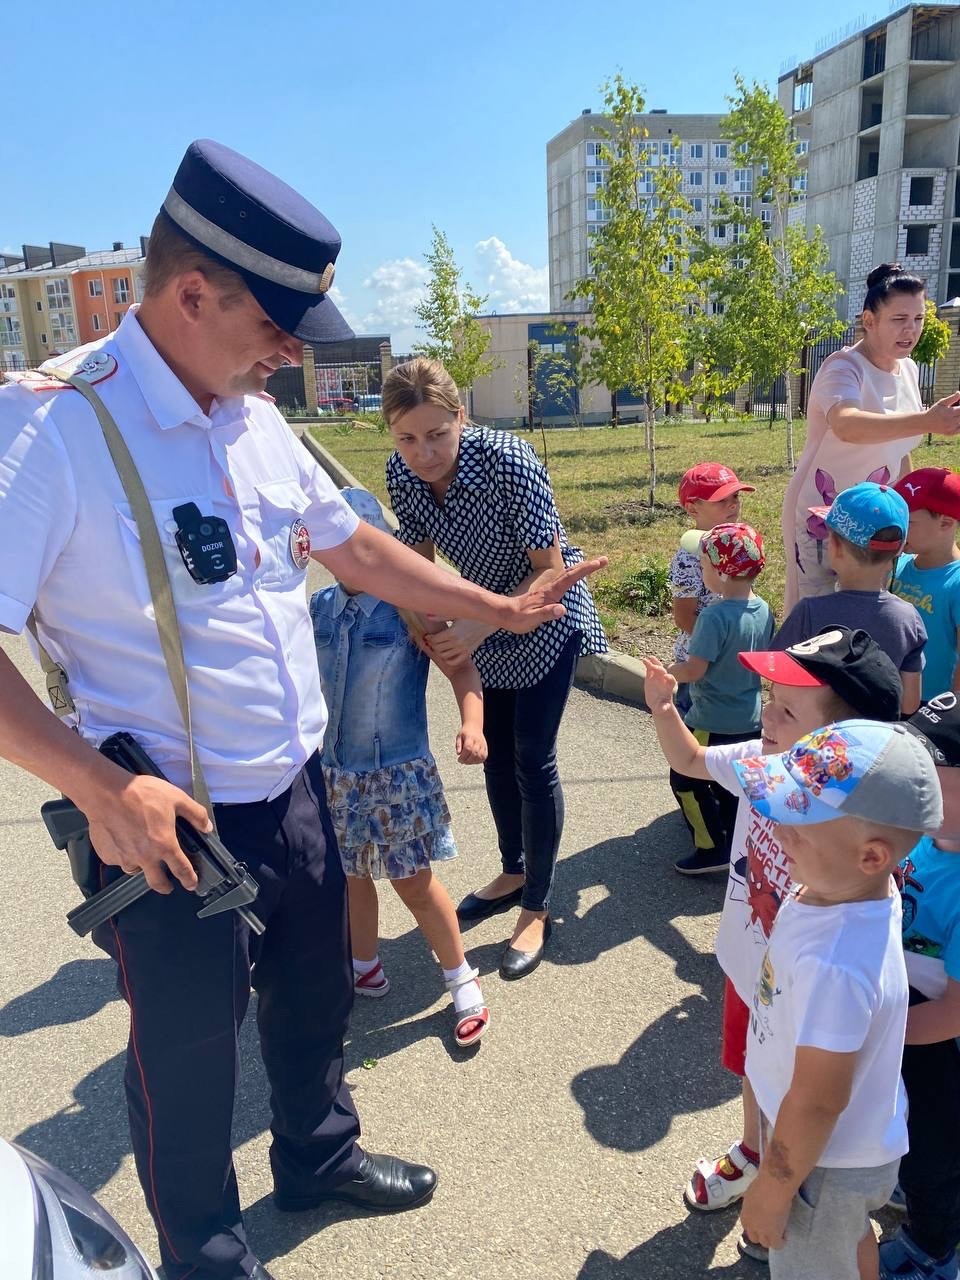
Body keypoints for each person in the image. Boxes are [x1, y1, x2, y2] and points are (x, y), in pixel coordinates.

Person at [0, 140, 603, 1280]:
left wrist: (497, 607)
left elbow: (354, 545)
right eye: (278, 325)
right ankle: (208, 1256)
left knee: (315, 998)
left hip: (296, 785)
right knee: (187, 1062)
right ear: (192, 295)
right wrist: (97, 786)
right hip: (167, 820)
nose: (293, 352)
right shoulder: (50, 426)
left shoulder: (252, 414)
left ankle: (318, 1157)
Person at [642, 626, 903, 1265]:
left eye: (787, 709)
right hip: (753, 965)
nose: (767, 716)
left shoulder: (854, 851)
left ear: (842, 742)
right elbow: (692, 761)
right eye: (769, 699)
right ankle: (756, 1153)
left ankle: (780, 1201)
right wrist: (665, 708)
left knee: (803, 1105)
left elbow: (823, 1095)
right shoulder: (768, 764)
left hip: (805, 1005)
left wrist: (781, 1194)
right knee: (757, 1068)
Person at [382, 357, 607, 980]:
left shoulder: (509, 460)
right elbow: (418, 567)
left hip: (544, 614)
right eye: (406, 438)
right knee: (498, 758)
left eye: (437, 434)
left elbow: (549, 568)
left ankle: (537, 905)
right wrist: (426, 626)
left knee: (533, 757)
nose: (423, 453)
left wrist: (476, 627)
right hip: (483, 615)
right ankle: (513, 870)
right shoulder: (403, 473)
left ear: (461, 416)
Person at [731, 720, 942, 1280]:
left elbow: (818, 1101)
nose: (778, 830)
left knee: (812, 1264)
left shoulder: (838, 964)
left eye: (798, 823)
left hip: (821, 1162)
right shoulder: (851, 887)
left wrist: (774, 1189)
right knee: (845, 1241)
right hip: (829, 1143)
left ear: (871, 856)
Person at [310, 487, 489, 1049]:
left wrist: (473, 723)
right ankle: (364, 965)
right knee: (351, 875)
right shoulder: (317, 608)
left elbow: (462, 669)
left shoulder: (411, 609)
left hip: (396, 773)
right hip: (335, 772)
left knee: (413, 881)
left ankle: (461, 978)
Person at [782, 263, 960, 613]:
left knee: (866, 608)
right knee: (817, 613)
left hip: (877, 514)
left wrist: (908, 507)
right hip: (823, 513)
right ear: (869, 320)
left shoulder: (907, 369)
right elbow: (847, 424)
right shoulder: (843, 367)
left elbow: (900, 449)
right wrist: (926, 421)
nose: (911, 329)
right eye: (899, 319)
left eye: (919, 319)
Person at [879, 694, 960, 1280]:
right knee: (909, 1136)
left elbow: (955, 1011)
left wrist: (878, 1034)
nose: (915, 786)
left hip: (938, 1044)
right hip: (906, 1023)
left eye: (931, 777)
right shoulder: (930, 837)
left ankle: (933, 1249)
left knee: (937, 1155)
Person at [665, 522, 774, 876]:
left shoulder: (713, 616)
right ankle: (736, 841)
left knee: (685, 778)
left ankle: (710, 847)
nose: (702, 570)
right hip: (750, 718)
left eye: (705, 565)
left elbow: (695, 670)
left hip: (710, 719)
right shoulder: (764, 610)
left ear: (723, 572)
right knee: (733, 784)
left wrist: (668, 673)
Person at [774, 482, 926, 714]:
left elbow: (777, 676)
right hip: (878, 735)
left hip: (819, 733)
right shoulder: (908, 618)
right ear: (898, 550)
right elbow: (909, 704)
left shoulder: (810, 612)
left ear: (835, 546)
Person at [669, 463, 755, 714]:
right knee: (696, 729)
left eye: (735, 497)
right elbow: (684, 616)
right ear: (692, 508)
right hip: (701, 663)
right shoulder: (689, 557)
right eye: (721, 500)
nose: (733, 505)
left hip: (731, 659)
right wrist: (721, 646)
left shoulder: (738, 545)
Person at [891, 467, 960, 702]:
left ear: (946, 523)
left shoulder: (956, 582)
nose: (898, 528)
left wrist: (952, 713)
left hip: (933, 707)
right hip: (891, 696)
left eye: (908, 522)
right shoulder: (897, 565)